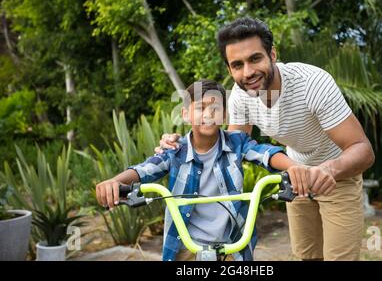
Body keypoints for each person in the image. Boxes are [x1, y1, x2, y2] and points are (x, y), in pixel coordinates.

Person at [157, 17, 375, 261]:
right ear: (230, 69)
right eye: (237, 65)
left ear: (272, 54)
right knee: (307, 257)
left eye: (255, 59)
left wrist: (326, 170)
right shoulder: (240, 95)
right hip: (295, 177)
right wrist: (181, 142)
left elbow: (362, 149)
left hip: (337, 175)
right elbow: (230, 146)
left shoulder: (313, 83)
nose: (248, 72)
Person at [96, 79, 306, 261]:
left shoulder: (237, 142)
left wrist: (294, 168)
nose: (208, 113)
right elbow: (145, 169)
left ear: (225, 115)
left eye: (215, 108)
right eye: (200, 107)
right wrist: (115, 181)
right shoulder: (174, 151)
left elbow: (264, 153)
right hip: (187, 245)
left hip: (233, 242)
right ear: (186, 114)